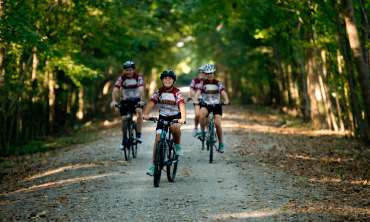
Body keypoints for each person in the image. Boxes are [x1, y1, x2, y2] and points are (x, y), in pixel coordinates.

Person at [143, 70, 186, 176]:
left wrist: (183, 118)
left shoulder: (177, 92)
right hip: (163, 117)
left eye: (170, 78)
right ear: (162, 80)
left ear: (173, 81)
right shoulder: (159, 92)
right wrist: (146, 114)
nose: (167, 80)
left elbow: (181, 105)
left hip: (175, 117)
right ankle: (154, 165)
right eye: (165, 78)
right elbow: (151, 103)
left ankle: (177, 145)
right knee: (157, 139)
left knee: (174, 128)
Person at [194, 64, 229, 153]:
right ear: (205, 74)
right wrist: (196, 100)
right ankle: (202, 132)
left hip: (217, 105)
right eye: (207, 73)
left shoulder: (218, 83)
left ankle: (221, 143)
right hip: (206, 104)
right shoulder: (203, 83)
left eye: (211, 73)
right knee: (201, 114)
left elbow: (223, 92)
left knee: (217, 124)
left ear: (213, 73)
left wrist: (226, 100)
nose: (209, 75)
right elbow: (198, 93)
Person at [111, 60, 145, 149]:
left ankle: (138, 133)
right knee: (124, 119)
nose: (128, 72)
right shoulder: (121, 78)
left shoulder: (138, 78)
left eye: (130, 70)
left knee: (139, 112)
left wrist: (141, 100)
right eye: (126, 70)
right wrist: (114, 101)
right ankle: (124, 140)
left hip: (136, 100)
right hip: (125, 101)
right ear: (124, 71)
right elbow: (115, 89)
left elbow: (141, 89)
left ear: (133, 70)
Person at [189, 65, 206, 137]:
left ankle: (207, 130)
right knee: (197, 114)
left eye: (204, 72)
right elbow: (191, 89)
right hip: (197, 100)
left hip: (207, 100)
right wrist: (194, 96)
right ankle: (196, 128)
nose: (202, 74)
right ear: (199, 73)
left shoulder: (208, 81)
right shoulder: (195, 80)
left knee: (207, 116)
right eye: (201, 72)